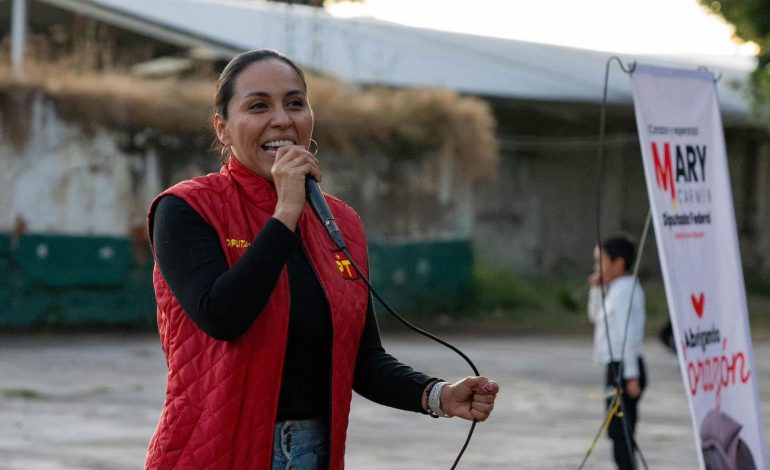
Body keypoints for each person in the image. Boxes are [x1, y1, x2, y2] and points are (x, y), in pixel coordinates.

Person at [145, 49, 499, 470]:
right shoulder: (186, 209)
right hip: (214, 451)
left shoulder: (340, 222)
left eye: (295, 103)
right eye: (259, 105)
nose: (282, 119)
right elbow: (223, 317)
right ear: (222, 128)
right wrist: (286, 213)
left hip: (315, 452)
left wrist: (437, 395)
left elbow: (362, 359)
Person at [587, 235, 647, 470]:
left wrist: (631, 376)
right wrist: (596, 290)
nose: (597, 268)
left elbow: (627, 335)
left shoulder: (625, 291)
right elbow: (595, 316)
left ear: (619, 264)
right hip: (616, 367)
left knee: (621, 433)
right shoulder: (616, 289)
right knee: (618, 432)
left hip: (625, 368)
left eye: (600, 262)